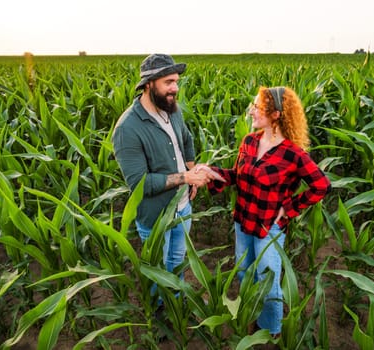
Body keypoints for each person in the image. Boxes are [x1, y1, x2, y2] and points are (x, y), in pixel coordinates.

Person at [200, 86, 332, 338]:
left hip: (268, 227)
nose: (251, 112)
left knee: (268, 282)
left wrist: (289, 208)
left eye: (257, 108)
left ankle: (271, 331)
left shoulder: (293, 154)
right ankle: (255, 317)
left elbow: (321, 186)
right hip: (243, 220)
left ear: (276, 115)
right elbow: (237, 176)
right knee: (244, 272)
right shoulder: (249, 141)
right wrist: (211, 173)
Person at [112, 53, 220, 281]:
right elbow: (140, 184)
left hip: (183, 207)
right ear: (149, 84)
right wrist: (186, 178)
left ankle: (176, 308)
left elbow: (187, 140)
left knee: (177, 262)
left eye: (176, 82)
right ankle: (161, 312)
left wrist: (193, 169)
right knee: (159, 273)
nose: (175, 89)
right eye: (168, 83)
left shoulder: (173, 110)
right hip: (156, 216)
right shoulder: (128, 128)